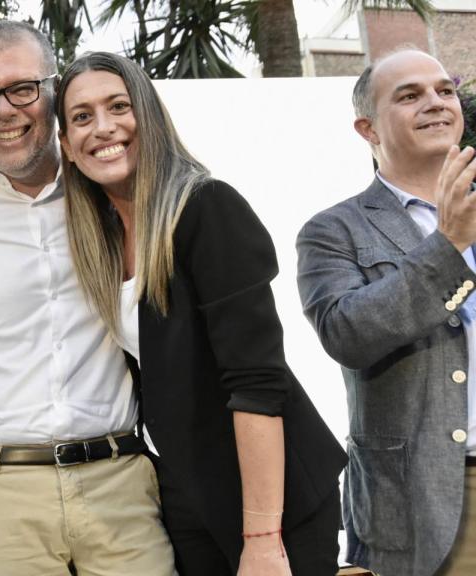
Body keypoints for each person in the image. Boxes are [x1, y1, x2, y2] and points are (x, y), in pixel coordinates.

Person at [56, 52, 347, 575]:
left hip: (270, 500)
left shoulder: (206, 208)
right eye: (81, 117)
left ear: (149, 116)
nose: (103, 128)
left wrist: (260, 537)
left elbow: (258, 382)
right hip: (188, 492)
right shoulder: (100, 238)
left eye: (118, 106)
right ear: (66, 146)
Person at [0, 21, 176, 575]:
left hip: (119, 485)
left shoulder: (114, 196)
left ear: (53, 92)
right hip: (2, 497)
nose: (3, 110)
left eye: (22, 88)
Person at [297, 48, 476, 576]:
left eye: (445, 90)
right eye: (409, 95)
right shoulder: (333, 230)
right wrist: (448, 244)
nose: (435, 103)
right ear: (368, 129)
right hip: (428, 499)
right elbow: (347, 332)